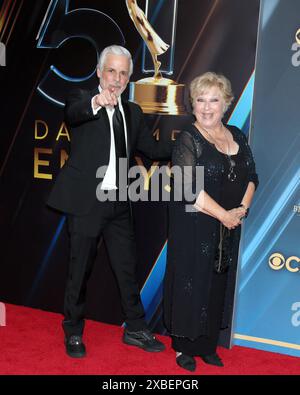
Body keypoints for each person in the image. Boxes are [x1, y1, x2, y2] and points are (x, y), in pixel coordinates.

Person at [47, 45, 171, 358]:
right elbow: (73, 113)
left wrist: (191, 140)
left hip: (119, 203)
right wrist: (96, 101)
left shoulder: (133, 112)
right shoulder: (80, 100)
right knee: (80, 271)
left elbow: (152, 151)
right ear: (100, 72)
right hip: (87, 203)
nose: (116, 79)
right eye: (111, 71)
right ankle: (73, 331)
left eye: (123, 73)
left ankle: (136, 328)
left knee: (127, 268)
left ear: (129, 78)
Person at [163, 72, 259, 371]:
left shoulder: (236, 135)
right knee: (192, 282)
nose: (206, 107)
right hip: (195, 224)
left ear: (226, 104)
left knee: (217, 282)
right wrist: (224, 216)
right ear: (192, 105)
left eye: (213, 100)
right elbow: (188, 189)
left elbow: (252, 176)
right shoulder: (188, 140)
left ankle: (206, 346)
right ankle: (184, 348)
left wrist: (241, 210)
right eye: (200, 100)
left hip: (227, 226)